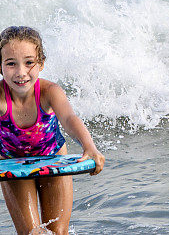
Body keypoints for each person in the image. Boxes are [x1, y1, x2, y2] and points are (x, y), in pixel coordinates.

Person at [0, 26, 105, 234]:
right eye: (11, 64)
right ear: (1, 67)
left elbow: (69, 119)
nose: (21, 72)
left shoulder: (50, 92)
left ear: (41, 63)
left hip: (54, 158)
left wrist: (89, 146)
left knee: (58, 231)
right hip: (13, 163)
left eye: (29, 63)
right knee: (31, 233)